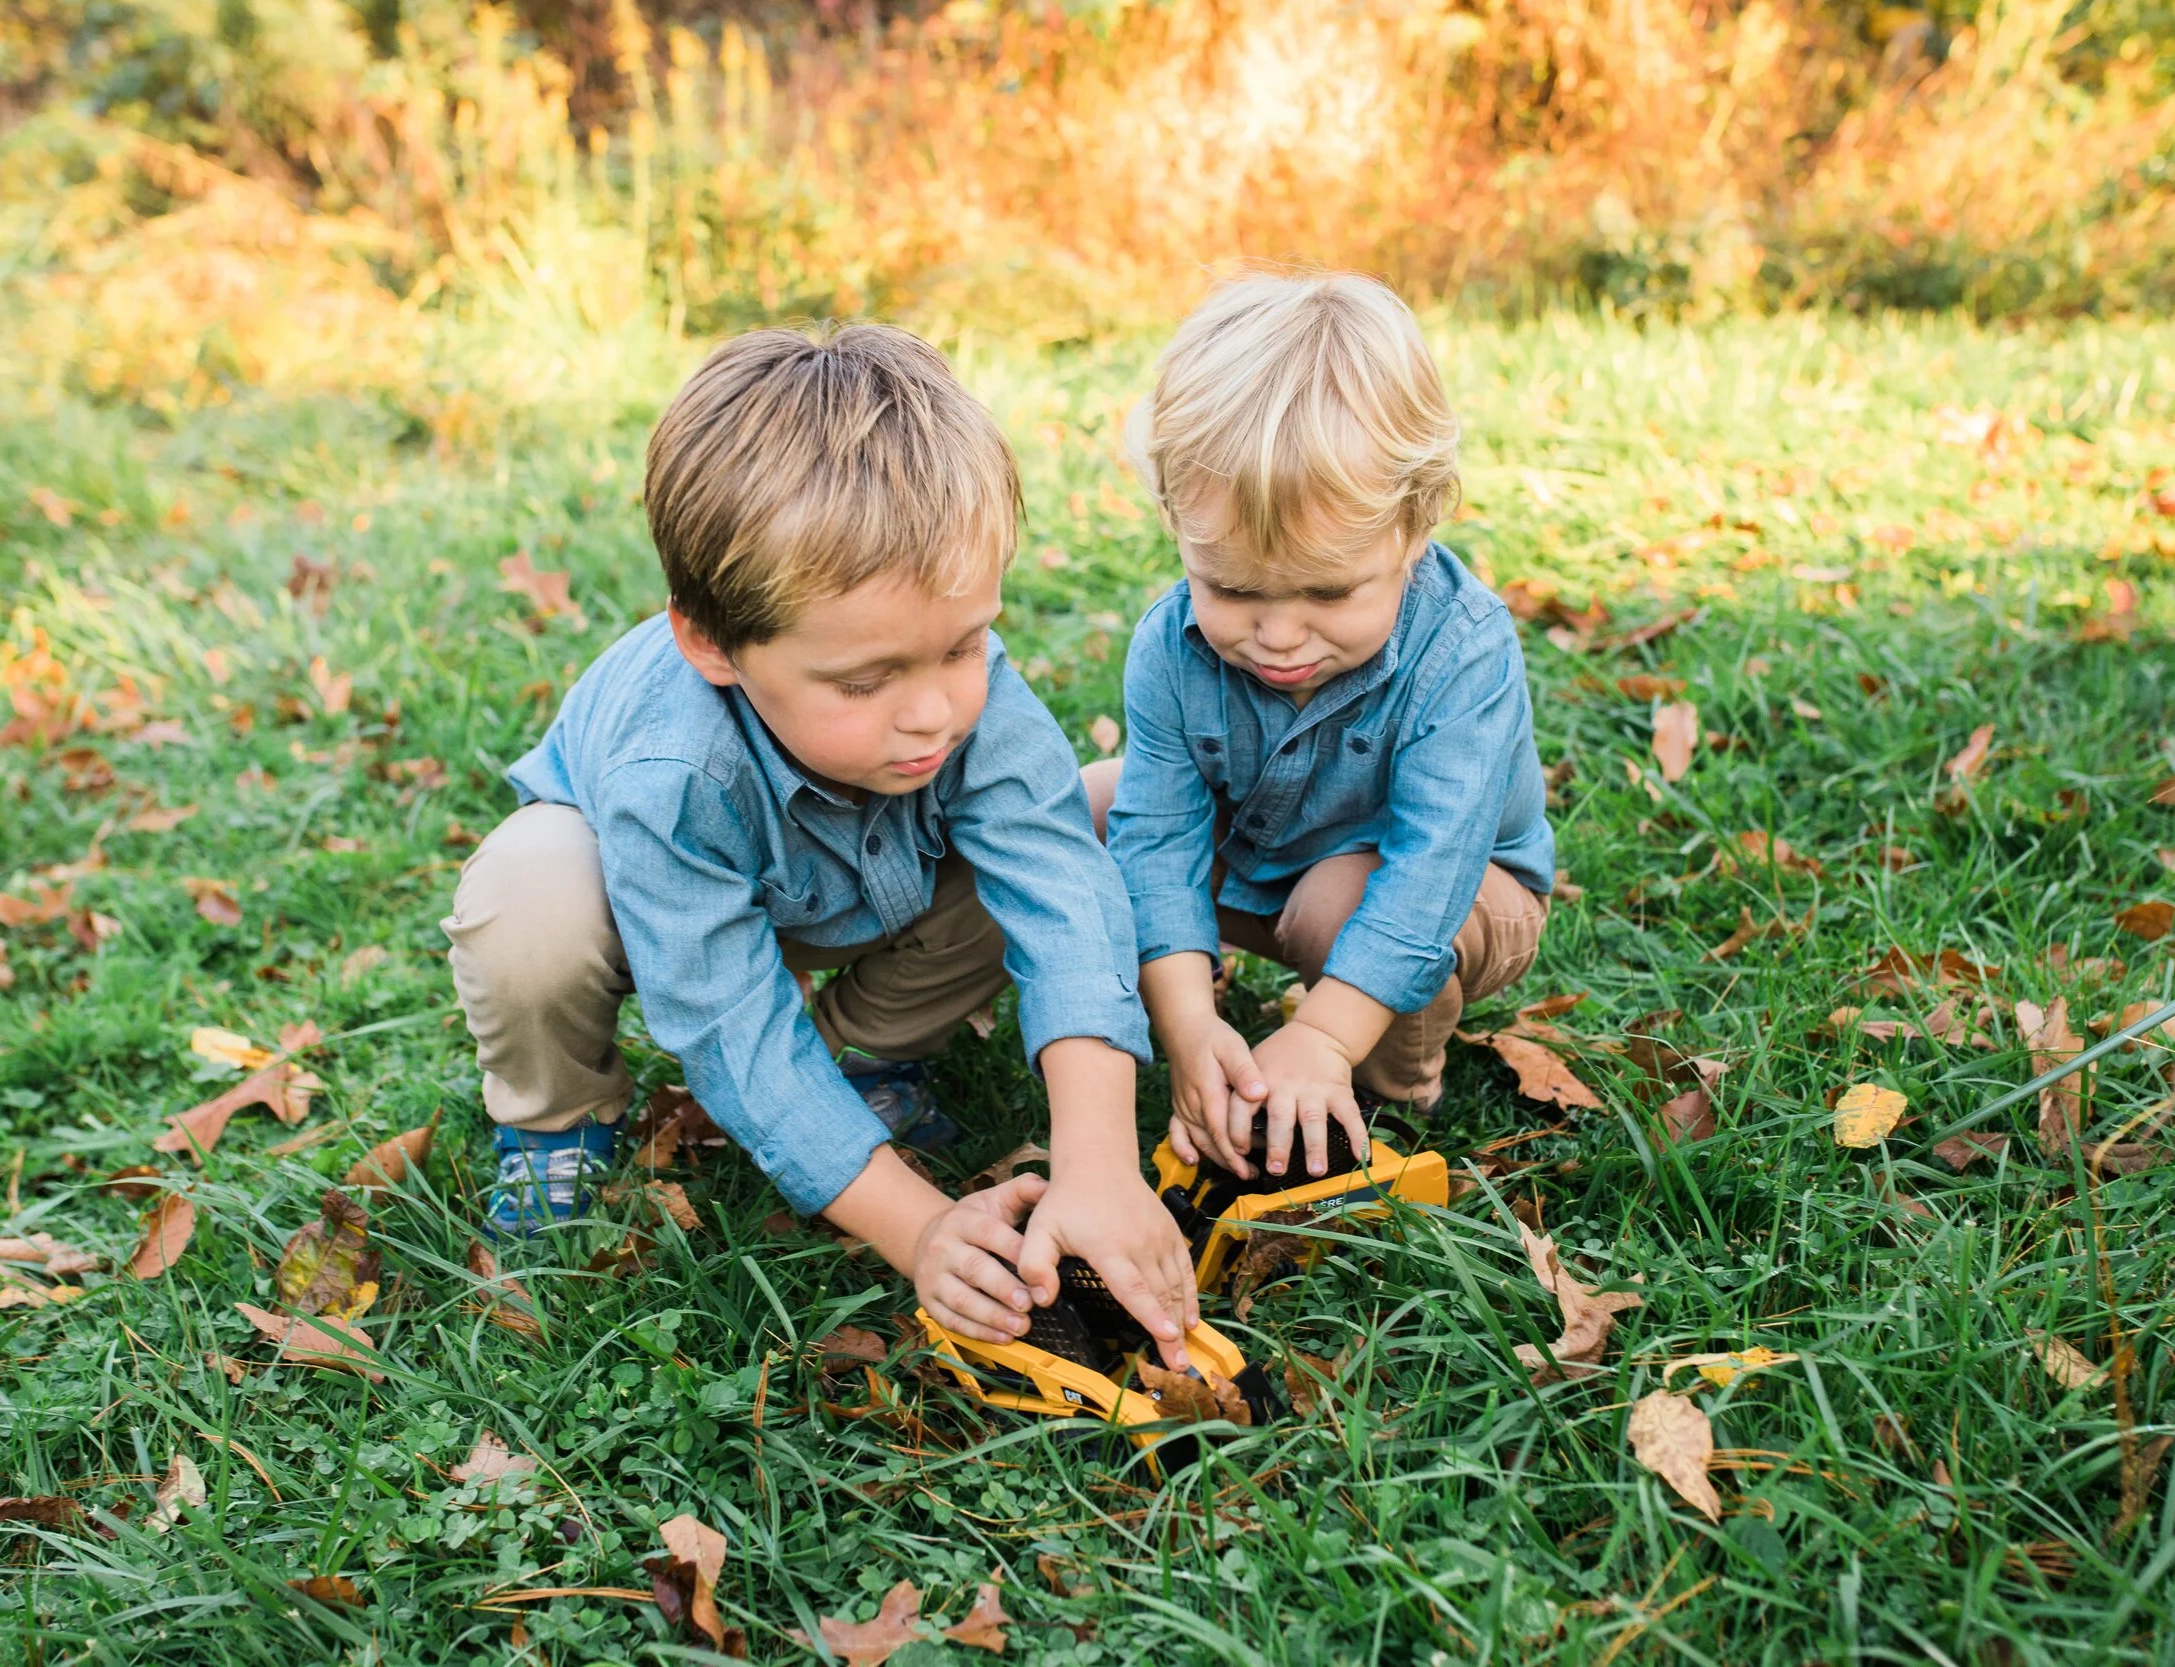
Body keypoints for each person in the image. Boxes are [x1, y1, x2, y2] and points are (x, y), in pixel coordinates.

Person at [445, 323, 1199, 1365]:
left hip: (871, 878)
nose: (934, 709)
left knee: (1064, 827)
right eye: (864, 680)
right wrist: (918, 1225)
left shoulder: (963, 704)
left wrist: (1101, 1161)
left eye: (962, 645)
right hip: (646, 901)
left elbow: (1060, 892)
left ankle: (869, 1053)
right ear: (713, 644)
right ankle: (556, 1120)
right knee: (528, 897)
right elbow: (729, 1021)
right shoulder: (674, 771)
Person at [1089, 272, 1556, 1185]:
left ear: (1415, 528)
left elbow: (1433, 870)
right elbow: (1157, 836)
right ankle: (1177, 1013)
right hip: (1267, 853)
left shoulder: (1462, 652)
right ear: (1177, 527)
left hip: (1461, 893)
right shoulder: (1171, 646)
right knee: (1093, 806)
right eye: (1231, 588)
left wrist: (1322, 1037)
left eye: (1329, 591)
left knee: (1343, 900)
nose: (1278, 633)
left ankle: (1393, 1082)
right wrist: (1186, 1021)